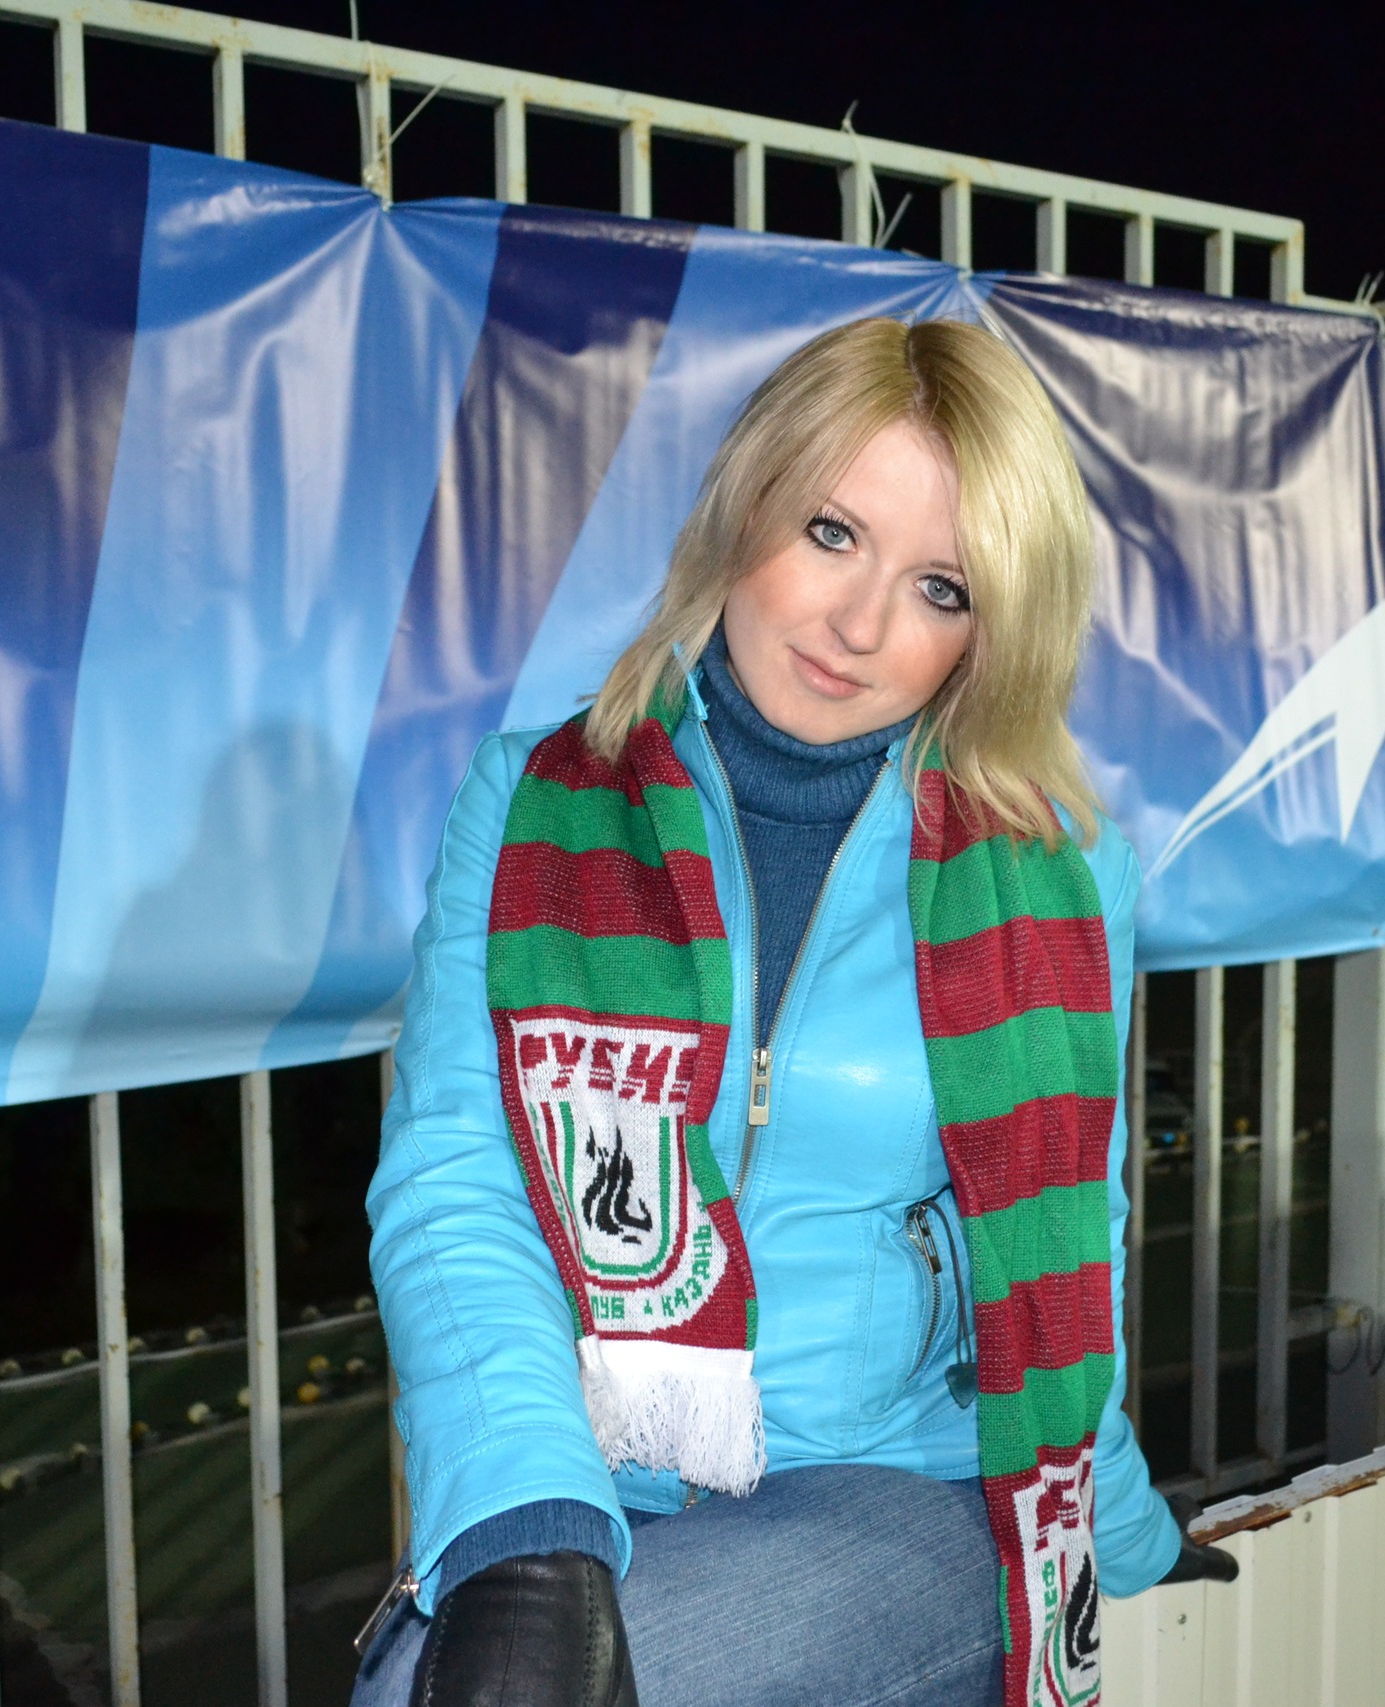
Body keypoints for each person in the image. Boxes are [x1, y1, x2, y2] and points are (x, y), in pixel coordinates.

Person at [356, 316, 1233, 1707]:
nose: (860, 626)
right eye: (832, 533)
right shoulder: (531, 802)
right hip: (600, 1464)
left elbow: (1068, 1236)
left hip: (905, 1491)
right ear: (746, 506)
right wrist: (530, 1538)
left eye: (940, 587)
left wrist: (1123, 1528)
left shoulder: (1063, 873)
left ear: (991, 631)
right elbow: (458, 1189)